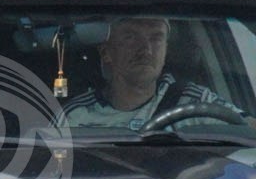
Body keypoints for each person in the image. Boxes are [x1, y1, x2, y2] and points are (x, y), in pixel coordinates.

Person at [62, 16, 244, 131]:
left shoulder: (195, 101)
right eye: (131, 37)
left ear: (166, 50)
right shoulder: (76, 115)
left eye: (156, 38)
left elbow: (253, 132)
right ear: (106, 53)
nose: (146, 50)